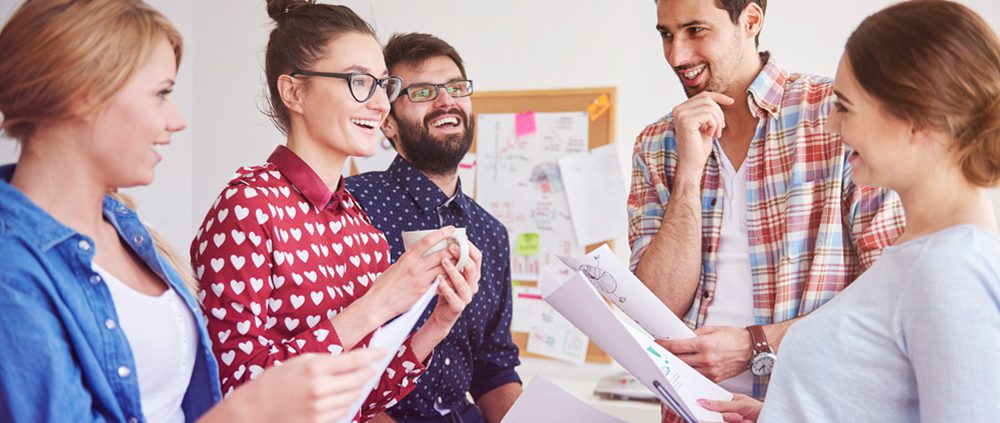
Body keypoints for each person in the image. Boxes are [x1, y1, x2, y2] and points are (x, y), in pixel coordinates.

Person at [0, 1, 382, 422]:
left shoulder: (130, 231)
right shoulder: (12, 269)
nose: (178, 120)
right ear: (82, 95)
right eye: (161, 93)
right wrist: (248, 411)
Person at [698, 1, 1000, 421]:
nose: (830, 125)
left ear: (915, 117)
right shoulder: (913, 257)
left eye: (844, 106)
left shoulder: (951, 271)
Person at [189, 2, 482, 422]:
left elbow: (365, 396)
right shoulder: (248, 207)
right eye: (360, 81)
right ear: (294, 92)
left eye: (383, 84)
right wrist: (375, 304)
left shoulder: (359, 226)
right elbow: (235, 388)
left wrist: (439, 321)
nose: (381, 103)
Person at [628, 0, 906, 418]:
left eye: (695, 31)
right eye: (666, 35)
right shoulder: (657, 143)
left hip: (810, 409)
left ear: (751, 20)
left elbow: (891, 295)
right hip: (689, 411)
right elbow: (655, 306)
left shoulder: (836, 116)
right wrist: (689, 173)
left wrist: (755, 343)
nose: (676, 55)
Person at [346, 33, 522, 423]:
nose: (447, 101)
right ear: (387, 123)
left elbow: (493, 368)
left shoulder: (490, 233)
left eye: (456, 87)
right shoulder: (351, 207)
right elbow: (335, 361)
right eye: (423, 92)